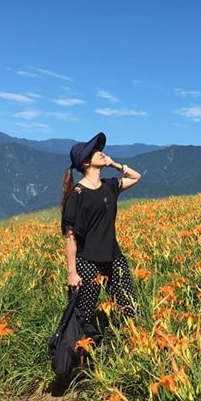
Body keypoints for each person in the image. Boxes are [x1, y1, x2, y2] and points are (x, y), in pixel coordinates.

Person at [60, 131, 141, 330]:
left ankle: (133, 340)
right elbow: (71, 238)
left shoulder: (109, 186)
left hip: (114, 257)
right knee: (83, 314)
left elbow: (136, 177)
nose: (100, 152)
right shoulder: (77, 194)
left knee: (129, 307)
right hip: (88, 261)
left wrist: (115, 165)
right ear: (86, 162)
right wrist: (72, 272)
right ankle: (80, 347)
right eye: (95, 151)